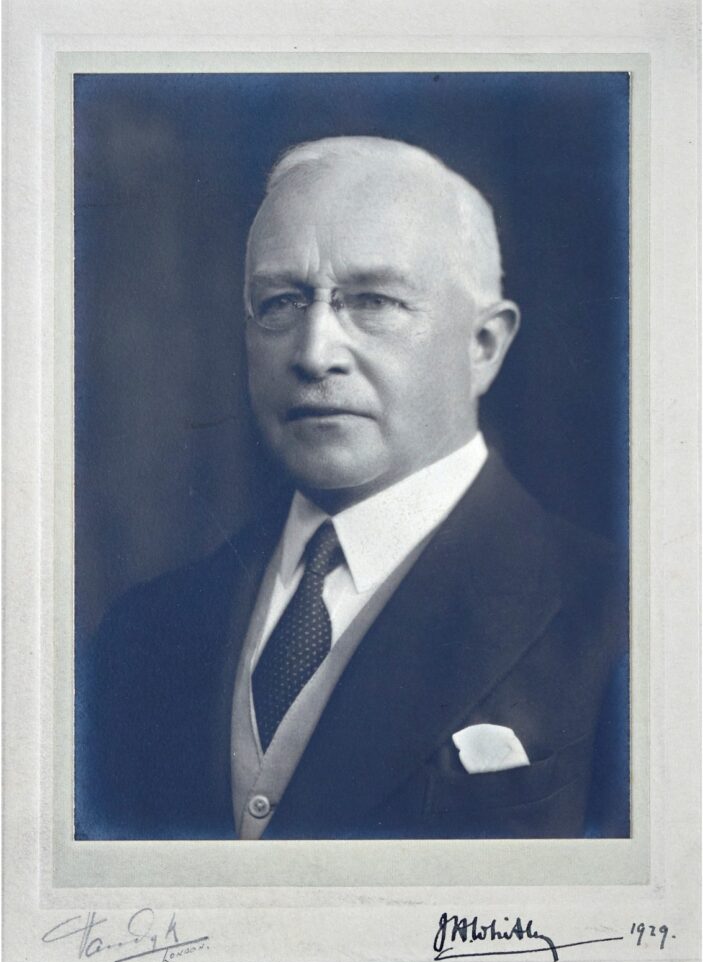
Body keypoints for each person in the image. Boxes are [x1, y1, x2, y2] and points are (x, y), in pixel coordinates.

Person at [76, 135, 628, 841]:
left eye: (373, 300)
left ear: (482, 346)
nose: (312, 354)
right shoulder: (143, 633)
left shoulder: (621, 623)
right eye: (280, 302)